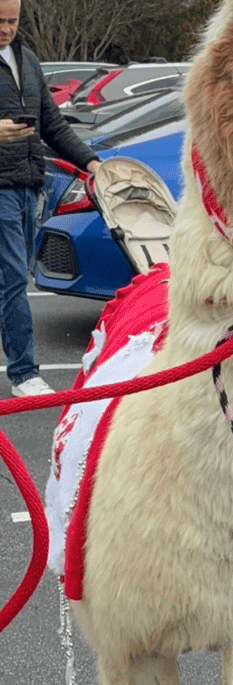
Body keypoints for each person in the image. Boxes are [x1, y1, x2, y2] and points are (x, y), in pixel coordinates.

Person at [0, 0, 100, 397]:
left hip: (29, 189)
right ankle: (24, 374)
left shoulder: (26, 59)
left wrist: (92, 163)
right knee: (12, 282)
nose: (5, 28)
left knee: (10, 281)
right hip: (1, 192)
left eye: (12, 20)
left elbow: (53, 124)